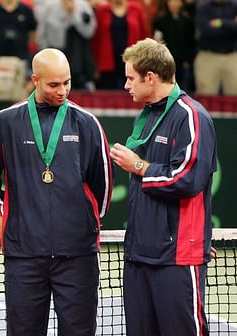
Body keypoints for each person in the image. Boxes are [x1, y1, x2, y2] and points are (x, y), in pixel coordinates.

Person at [0, 48, 113, 335]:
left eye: (67, 82)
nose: (62, 90)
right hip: (24, 255)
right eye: (54, 84)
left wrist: (87, 226)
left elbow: (103, 186)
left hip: (77, 256)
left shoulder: (87, 123)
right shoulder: (5, 121)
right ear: (35, 80)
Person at [110, 38, 217, 335]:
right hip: (139, 255)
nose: (126, 85)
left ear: (150, 77)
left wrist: (139, 166)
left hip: (177, 257)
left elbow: (188, 179)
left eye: (131, 78)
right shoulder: (146, 117)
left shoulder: (191, 117)